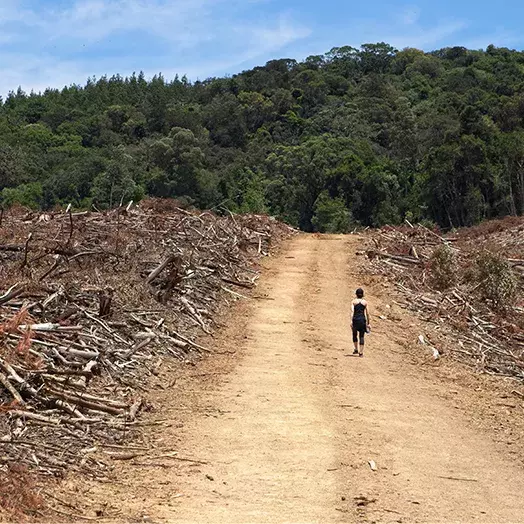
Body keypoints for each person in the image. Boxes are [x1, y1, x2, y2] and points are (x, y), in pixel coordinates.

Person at [351, 288, 370, 357]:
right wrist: (368, 323)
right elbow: (367, 313)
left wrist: (351, 321)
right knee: (361, 336)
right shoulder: (365, 302)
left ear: (356, 294)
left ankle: (356, 349)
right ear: (362, 295)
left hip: (355, 320)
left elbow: (352, 312)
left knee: (354, 334)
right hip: (362, 320)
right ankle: (361, 352)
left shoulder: (353, 302)